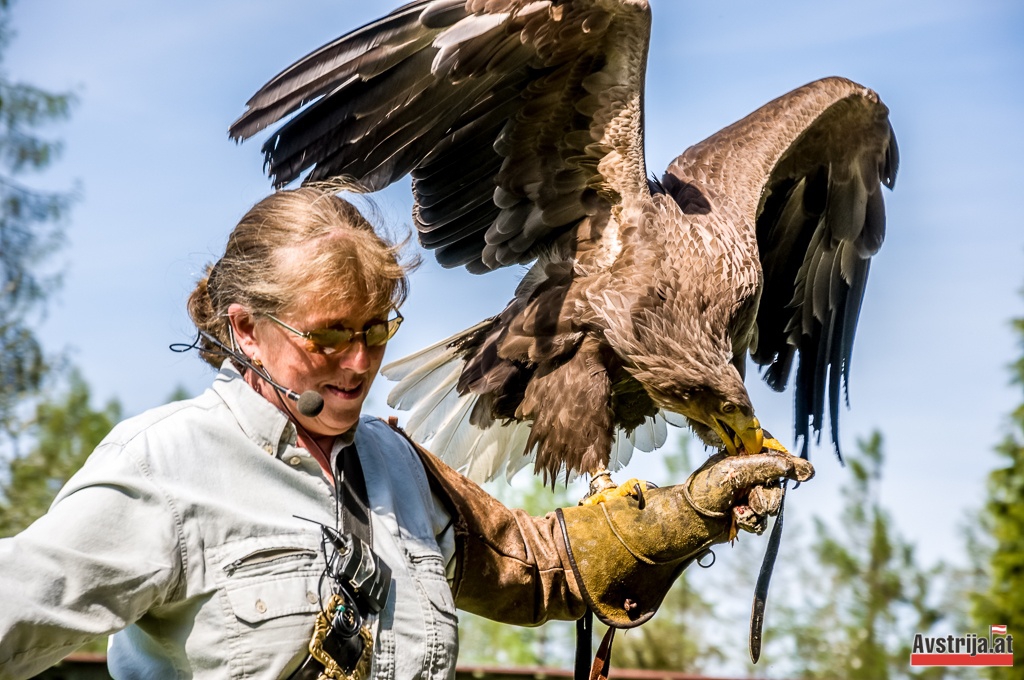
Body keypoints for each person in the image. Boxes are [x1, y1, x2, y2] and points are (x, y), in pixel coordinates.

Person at [0, 187, 813, 680]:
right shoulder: (167, 468)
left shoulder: (395, 468)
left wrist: (686, 512)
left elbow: (543, 568)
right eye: (328, 335)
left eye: (378, 330)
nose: (358, 363)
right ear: (246, 330)